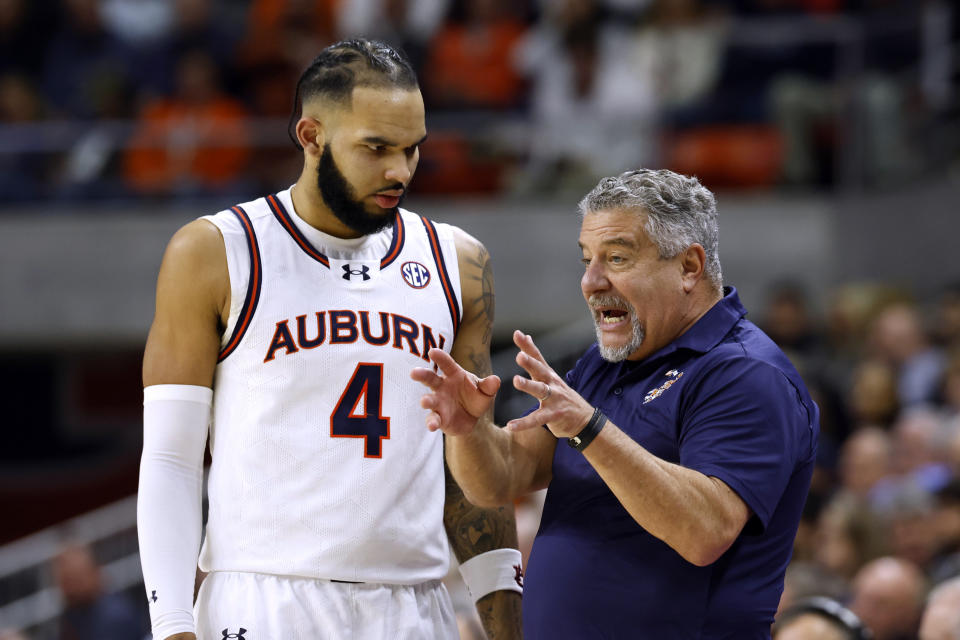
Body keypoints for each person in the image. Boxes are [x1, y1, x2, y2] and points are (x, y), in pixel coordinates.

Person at [137, 38, 522, 640]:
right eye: (376, 148)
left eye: (412, 149)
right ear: (310, 136)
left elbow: (470, 474)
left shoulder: (459, 262)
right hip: (263, 600)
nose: (400, 171)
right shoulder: (216, 251)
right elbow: (170, 459)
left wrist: (506, 626)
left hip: (416, 606)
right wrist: (172, 626)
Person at [413, 168, 819, 637]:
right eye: (587, 259)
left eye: (617, 258)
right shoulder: (605, 363)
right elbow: (503, 477)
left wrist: (589, 429)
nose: (590, 281)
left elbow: (705, 531)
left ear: (689, 267)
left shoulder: (747, 373)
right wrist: (467, 430)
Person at [53, 543, 148, 640]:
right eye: (65, 581)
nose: (70, 588)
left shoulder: (115, 616)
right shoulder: (74, 614)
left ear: (94, 573)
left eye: (75, 579)